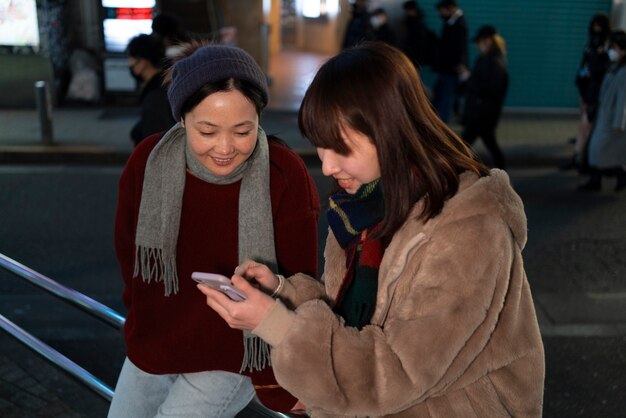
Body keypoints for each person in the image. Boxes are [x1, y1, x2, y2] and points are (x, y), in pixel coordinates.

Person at [200, 41, 545, 417]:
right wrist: (282, 292)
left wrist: (276, 324)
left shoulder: (470, 229)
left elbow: (394, 372)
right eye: (320, 148)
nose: (328, 167)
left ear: (389, 132)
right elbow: (351, 315)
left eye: (341, 148)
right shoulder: (361, 208)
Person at [109, 41, 320, 417]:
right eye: (207, 131)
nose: (225, 148)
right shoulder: (148, 161)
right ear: (182, 119)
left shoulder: (284, 174)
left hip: (234, 353)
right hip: (156, 338)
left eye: (243, 131)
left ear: (259, 119)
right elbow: (129, 254)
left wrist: (283, 379)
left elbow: (301, 284)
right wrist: (141, 319)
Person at [561, 14, 612, 171]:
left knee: (586, 126)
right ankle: (580, 156)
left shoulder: (605, 46)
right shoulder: (593, 42)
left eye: (599, 25)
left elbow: (601, 69)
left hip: (595, 93)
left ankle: (580, 157)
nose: (596, 28)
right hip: (587, 90)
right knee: (584, 125)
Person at [578, 30, 626, 192]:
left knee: (600, 149)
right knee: (600, 150)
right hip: (605, 115)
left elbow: (623, 98)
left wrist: (619, 121)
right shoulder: (615, 66)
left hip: (613, 118)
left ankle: (610, 177)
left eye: (614, 48)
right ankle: (601, 178)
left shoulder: (623, 70)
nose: (611, 51)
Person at [461, 25, 509, 170]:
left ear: (488, 41)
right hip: (483, 112)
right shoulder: (489, 59)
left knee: (463, 144)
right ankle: (499, 171)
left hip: (483, 113)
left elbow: (490, 88)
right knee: (487, 143)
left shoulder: (493, 62)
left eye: (479, 42)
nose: (478, 45)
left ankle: (465, 171)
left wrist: (468, 79)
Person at [126, 34, 176, 147]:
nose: (129, 63)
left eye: (131, 57)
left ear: (142, 61)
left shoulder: (155, 95)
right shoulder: (165, 85)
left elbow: (153, 143)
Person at [431, 0, 468, 123]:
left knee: (445, 99)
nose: (441, 14)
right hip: (447, 67)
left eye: (442, 11)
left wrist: (460, 64)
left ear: (450, 8)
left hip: (451, 68)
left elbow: (459, 47)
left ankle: (441, 125)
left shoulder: (458, 24)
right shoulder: (452, 22)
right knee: (440, 97)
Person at [401, 0, 435, 69]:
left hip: (416, 58)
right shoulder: (411, 21)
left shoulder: (418, 24)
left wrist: (418, 60)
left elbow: (420, 43)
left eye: (408, 10)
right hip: (412, 56)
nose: (407, 13)